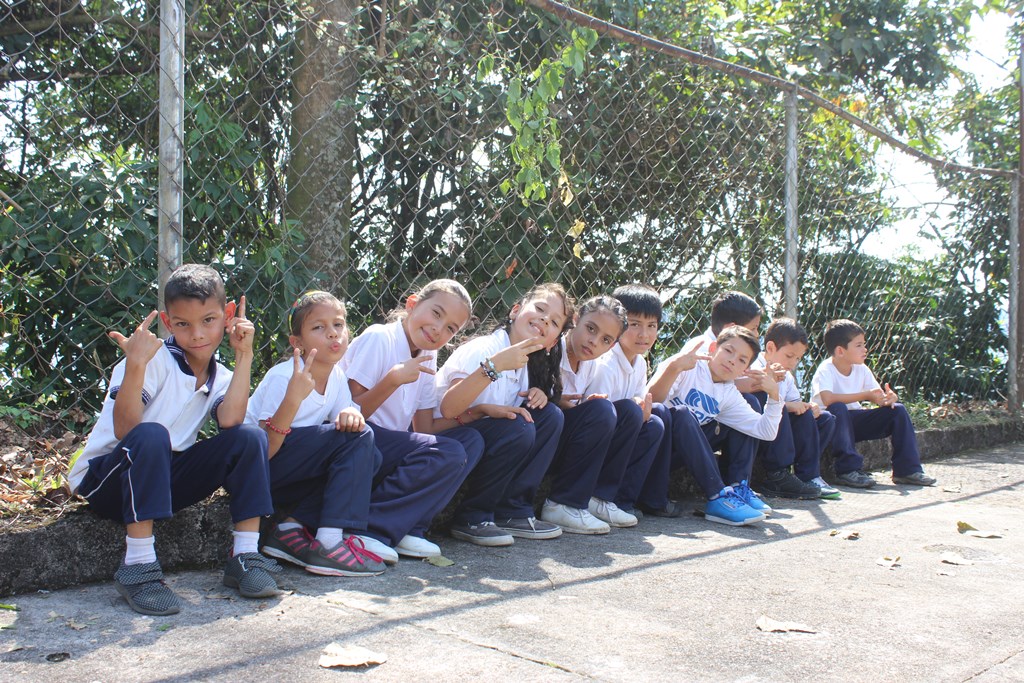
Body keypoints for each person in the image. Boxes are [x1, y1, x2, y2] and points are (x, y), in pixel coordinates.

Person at [69, 264, 278, 616]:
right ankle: (138, 566)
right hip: (107, 479)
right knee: (151, 434)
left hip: (161, 479)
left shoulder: (221, 376)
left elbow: (231, 420)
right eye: (183, 324)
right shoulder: (152, 360)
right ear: (168, 323)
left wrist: (245, 355)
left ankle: (245, 555)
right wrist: (134, 365)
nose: (197, 334)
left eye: (209, 320)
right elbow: (126, 430)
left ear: (227, 316)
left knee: (249, 437)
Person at [342, 279, 485, 562]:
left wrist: (478, 413)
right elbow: (349, 414)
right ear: (412, 304)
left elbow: (425, 429)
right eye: (436, 313)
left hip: (389, 445)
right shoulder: (379, 338)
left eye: (450, 328)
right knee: (448, 450)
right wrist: (393, 380)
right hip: (356, 440)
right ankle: (369, 530)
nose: (438, 329)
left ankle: (410, 527)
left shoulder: (428, 355)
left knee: (470, 442)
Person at [246, 291, 386, 577]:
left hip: (290, 468)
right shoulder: (283, 376)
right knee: (358, 441)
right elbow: (262, 448)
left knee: (370, 454)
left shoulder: (335, 377)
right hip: (259, 471)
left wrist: (351, 414)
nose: (333, 334)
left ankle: (289, 528)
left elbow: (345, 414)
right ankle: (329, 543)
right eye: (318, 328)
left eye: (338, 324)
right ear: (297, 342)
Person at [435, 283, 570, 546]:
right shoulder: (484, 349)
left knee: (550, 416)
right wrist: (494, 367)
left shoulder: (525, 365)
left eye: (554, 321)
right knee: (518, 427)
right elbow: (449, 409)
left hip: (483, 439)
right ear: (515, 311)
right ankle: (472, 517)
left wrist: (538, 396)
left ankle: (512, 511)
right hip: (449, 437)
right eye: (540, 309)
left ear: (552, 342)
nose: (544, 319)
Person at [647, 326, 780, 525]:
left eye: (742, 360)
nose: (732, 360)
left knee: (738, 420)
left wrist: (775, 395)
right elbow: (650, 402)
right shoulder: (686, 365)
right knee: (682, 414)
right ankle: (717, 496)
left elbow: (765, 431)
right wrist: (673, 367)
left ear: (744, 370)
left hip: (682, 452)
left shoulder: (728, 392)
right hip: (656, 446)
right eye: (728, 351)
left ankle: (737, 487)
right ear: (712, 348)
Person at [542, 295, 636, 533]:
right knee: (601, 410)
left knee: (628, 412)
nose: (593, 342)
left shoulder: (593, 365)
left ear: (612, 345)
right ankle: (562, 503)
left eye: (605, 339)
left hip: (564, 444)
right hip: (537, 444)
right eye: (590, 329)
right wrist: (556, 401)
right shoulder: (548, 349)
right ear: (575, 320)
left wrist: (585, 408)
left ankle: (598, 498)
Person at [810, 319, 937, 488]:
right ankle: (848, 471)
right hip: (831, 424)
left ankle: (907, 470)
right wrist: (866, 395)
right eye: (859, 345)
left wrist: (888, 399)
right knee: (838, 407)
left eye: (864, 344)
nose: (865, 349)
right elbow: (828, 399)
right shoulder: (826, 369)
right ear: (840, 350)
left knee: (897, 411)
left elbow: (877, 395)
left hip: (853, 422)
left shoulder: (861, 368)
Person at [587, 285, 669, 519]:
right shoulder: (605, 362)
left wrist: (640, 410)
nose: (644, 335)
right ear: (619, 325)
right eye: (634, 325)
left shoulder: (640, 363)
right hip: (593, 444)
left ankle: (621, 500)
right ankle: (597, 496)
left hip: (617, 439)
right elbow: (597, 414)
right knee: (632, 413)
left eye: (651, 326)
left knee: (654, 424)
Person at [756, 318, 839, 500]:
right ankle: (777, 475)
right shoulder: (755, 367)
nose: (793, 363)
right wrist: (789, 405)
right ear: (770, 348)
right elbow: (756, 404)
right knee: (780, 408)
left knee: (825, 419)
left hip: (783, 430)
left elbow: (796, 401)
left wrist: (810, 406)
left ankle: (807, 475)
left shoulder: (786, 375)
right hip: (761, 430)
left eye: (798, 358)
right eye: (789, 356)